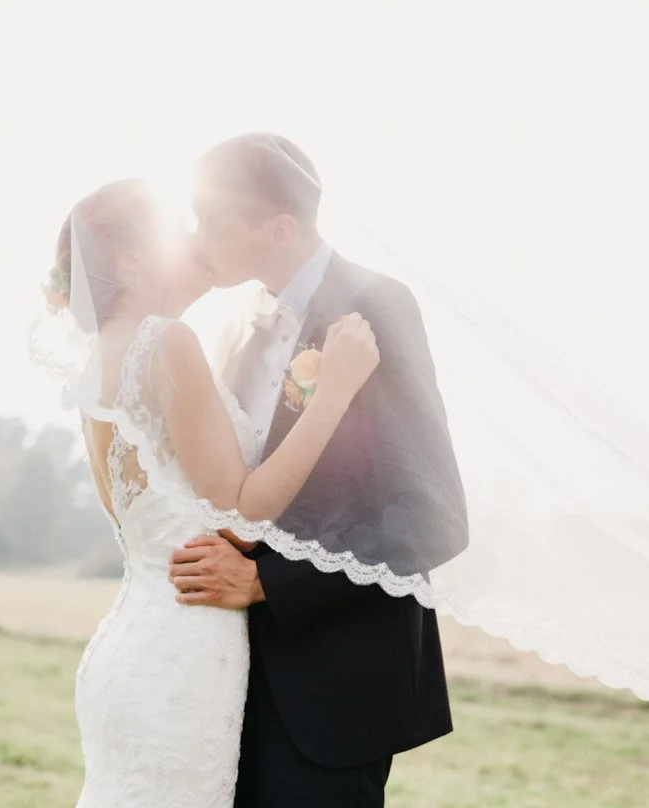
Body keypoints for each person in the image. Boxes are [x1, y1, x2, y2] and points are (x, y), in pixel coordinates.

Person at [32, 175, 385, 808]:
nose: (198, 241)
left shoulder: (99, 362)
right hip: (183, 652)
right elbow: (239, 515)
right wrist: (333, 392)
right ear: (132, 258)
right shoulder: (166, 341)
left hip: (130, 645)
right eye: (176, 228)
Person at [168, 133, 467, 807]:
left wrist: (267, 582)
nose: (195, 238)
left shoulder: (375, 306)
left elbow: (430, 517)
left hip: (336, 681)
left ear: (279, 228)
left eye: (211, 222)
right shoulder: (239, 322)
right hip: (229, 676)